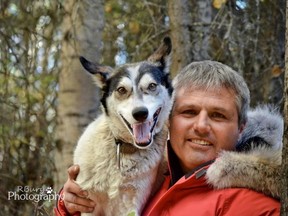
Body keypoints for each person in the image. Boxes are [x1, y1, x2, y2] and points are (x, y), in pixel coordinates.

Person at [54, 60, 280, 215]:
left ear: (242, 126)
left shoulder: (255, 206)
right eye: (189, 112)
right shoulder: (154, 174)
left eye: (218, 115)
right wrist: (71, 205)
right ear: (168, 117)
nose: (201, 126)